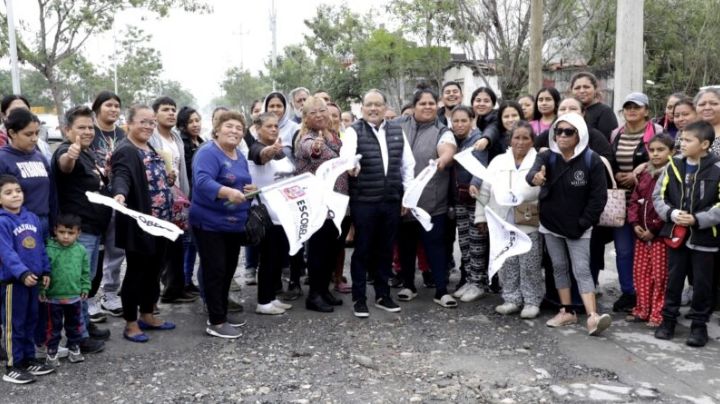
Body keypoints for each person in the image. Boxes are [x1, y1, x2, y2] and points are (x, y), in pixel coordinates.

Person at [526, 113, 612, 336]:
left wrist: (583, 223)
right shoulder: (546, 156)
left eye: (568, 131)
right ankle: (566, 311)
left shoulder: (592, 160)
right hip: (550, 223)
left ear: (580, 134)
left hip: (579, 227)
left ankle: (592, 317)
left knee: (582, 269)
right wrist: (535, 177)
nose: (562, 136)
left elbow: (598, 198)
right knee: (559, 267)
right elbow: (531, 175)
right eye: (558, 131)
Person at [340, 89, 415, 318]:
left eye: (378, 105)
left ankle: (383, 295)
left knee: (385, 249)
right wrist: (352, 165)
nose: (373, 109)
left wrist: (408, 196)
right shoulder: (354, 131)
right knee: (363, 250)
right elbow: (348, 156)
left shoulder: (396, 130)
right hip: (364, 201)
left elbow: (407, 165)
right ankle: (359, 298)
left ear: (385, 107)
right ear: (362, 109)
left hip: (391, 200)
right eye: (369, 105)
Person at [111, 105, 177, 343]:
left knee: (154, 270)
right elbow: (121, 176)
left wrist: (167, 178)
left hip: (161, 222)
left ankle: (147, 314)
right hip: (140, 224)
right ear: (128, 123)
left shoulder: (148, 146)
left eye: (151, 122)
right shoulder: (126, 150)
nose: (148, 126)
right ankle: (130, 323)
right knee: (137, 273)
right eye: (143, 122)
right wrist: (119, 193)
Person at [653, 121, 720, 348]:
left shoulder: (717, 168)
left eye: (688, 140)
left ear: (704, 144)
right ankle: (668, 321)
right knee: (673, 280)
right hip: (676, 234)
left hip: (705, 237)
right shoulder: (673, 165)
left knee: (702, 284)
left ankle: (699, 325)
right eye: (681, 139)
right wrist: (671, 214)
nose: (681, 143)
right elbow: (658, 197)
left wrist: (698, 219)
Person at [52, 105, 111, 350]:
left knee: (88, 280)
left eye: (90, 127)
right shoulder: (67, 150)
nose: (87, 131)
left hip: (94, 227)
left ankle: (85, 324)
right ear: (67, 130)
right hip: (79, 230)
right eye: (81, 127)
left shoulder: (88, 153)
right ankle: (79, 336)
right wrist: (72, 154)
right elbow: (65, 166)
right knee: (76, 284)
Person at [191, 111, 254, 338]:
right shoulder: (208, 152)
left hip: (234, 225)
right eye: (229, 126)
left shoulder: (239, 155)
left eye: (239, 128)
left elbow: (243, 182)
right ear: (217, 129)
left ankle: (222, 313)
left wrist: (250, 190)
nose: (234, 131)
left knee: (228, 271)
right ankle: (215, 321)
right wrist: (227, 192)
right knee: (215, 270)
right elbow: (202, 182)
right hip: (209, 224)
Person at [396, 87, 458, 308]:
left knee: (435, 247)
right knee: (406, 247)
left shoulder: (442, 130)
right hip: (403, 203)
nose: (428, 107)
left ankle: (441, 291)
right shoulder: (398, 127)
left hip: (433, 203)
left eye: (432, 103)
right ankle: (408, 285)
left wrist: (444, 159)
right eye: (423, 103)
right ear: (413, 107)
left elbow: (448, 148)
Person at [475, 121, 544, 318]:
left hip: (528, 220)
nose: (520, 142)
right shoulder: (498, 161)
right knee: (508, 262)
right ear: (510, 139)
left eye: (525, 138)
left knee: (529, 263)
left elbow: (540, 187)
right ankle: (511, 298)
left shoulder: (538, 160)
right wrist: (481, 216)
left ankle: (531, 300)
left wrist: (518, 194)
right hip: (501, 222)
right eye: (517, 137)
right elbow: (485, 190)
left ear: (532, 141)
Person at [609, 92, 664, 313]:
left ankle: (650, 295)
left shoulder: (656, 133)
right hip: (621, 199)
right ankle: (629, 292)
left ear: (646, 111)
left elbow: (666, 159)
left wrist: (639, 173)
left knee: (649, 250)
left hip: (648, 201)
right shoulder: (616, 133)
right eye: (628, 107)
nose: (632, 111)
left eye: (637, 107)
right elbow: (608, 158)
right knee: (623, 250)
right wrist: (616, 175)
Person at [295, 96, 348, 312]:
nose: (319, 115)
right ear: (306, 118)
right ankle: (314, 295)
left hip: (337, 204)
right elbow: (313, 151)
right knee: (318, 252)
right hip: (318, 205)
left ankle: (324, 290)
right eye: (313, 112)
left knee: (331, 251)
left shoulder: (334, 136)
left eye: (322, 110)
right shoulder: (307, 139)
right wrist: (317, 147)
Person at [0, 174, 54, 383]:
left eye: (18, 191)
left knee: (32, 320)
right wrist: (21, 273)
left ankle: (29, 358)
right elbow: (6, 253)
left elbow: (40, 247)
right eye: (8, 192)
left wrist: (46, 271)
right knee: (15, 323)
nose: (15, 195)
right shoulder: (3, 222)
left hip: (34, 280)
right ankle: (13, 364)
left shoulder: (31, 218)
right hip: (14, 283)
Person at [148, 97, 196, 304]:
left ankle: (176, 288)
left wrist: (186, 195)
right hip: (159, 200)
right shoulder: (152, 138)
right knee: (162, 248)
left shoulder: (176, 138)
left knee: (177, 245)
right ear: (155, 114)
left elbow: (182, 170)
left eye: (173, 109)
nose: (170, 113)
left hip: (178, 199)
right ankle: (164, 291)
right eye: (165, 109)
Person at [247, 112, 295, 315]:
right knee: (267, 259)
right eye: (269, 126)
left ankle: (272, 297)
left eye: (276, 126)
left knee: (277, 258)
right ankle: (263, 302)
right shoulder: (256, 148)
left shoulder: (280, 150)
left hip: (282, 212)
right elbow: (262, 156)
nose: (274, 129)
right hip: (266, 214)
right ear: (258, 129)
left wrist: (277, 149)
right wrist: (271, 149)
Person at [626, 134, 673, 327]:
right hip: (642, 234)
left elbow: (669, 205)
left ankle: (657, 313)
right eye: (652, 150)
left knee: (659, 276)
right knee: (641, 273)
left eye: (660, 150)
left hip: (660, 236)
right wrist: (634, 222)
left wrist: (654, 229)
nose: (655, 154)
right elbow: (635, 200)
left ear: (672, 152)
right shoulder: (645, 173)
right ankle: (642, 309)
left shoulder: (673, 174)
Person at [92, 91, 127, 320]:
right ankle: (88, 298)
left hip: (118, 196)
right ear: (97, 108)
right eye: (108, 105)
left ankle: (110, 293)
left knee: (117, 248)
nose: (113, 109)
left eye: (116, 105)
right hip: (93, 199)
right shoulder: (89, 130)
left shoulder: (122, 134)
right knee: (94, 249)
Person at [41, 213, 90, 366]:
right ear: (55, 230)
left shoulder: (81, 250)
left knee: (74, 325)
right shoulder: (48, 249)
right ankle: (52, 352)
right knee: (53, 327)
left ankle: (74, 347)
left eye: (71, 233)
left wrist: (85, 286)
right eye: (62, 232)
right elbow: (42, 272)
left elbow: (85, 271)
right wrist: (42, 290)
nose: (66, 237)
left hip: (74, 297)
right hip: (53, 298)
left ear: (78, 233)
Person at [451, 106, 488, 302]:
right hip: (459, 199)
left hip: (475, 198)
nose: (459, 124)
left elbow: (480, 166)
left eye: (463, 120)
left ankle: (478, 283)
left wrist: (474, 184)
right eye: (455, 121)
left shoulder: (478, 140)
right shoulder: (454, 139)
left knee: (477, 243)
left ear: (472, 120)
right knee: (464, 242)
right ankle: (469, 279)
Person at [0, 109, 54, 240]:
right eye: (28, 134)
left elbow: (52, 192)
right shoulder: (3, 158)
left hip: (44, 222)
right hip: (17, 225)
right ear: (12, 133)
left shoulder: (40, 157)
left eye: (37, 133)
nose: (34, 138)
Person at [177, 106, 203, 296]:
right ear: (183, 125)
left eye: (197, 120)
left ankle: (188, 280)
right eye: (191, 122)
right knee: (186, 242)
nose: (195, 125)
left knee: (193, 242)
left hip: (198, 197)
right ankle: (183, 281)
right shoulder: (184, 144)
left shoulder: (201, 142)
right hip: (187, 197)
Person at [0, 95, 52, 160]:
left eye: (24, 110)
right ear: (3, 115)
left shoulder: (40, 145)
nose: (21, 114)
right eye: (15, 111)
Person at [570, 72, 618, 139]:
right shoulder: (568, 112)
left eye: (586, 87)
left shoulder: (605, 112)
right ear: (571, 91)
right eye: (577, 88)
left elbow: (605, 142)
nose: (582, 91)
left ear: (595, 89)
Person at [470, 87, 500, 154]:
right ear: (472, 103)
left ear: (493, 104)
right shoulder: (469, 116)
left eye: (486, 101)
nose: (481, 104)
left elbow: (493, 129)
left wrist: (486, 139)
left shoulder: (497, 117)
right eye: (478, 100)